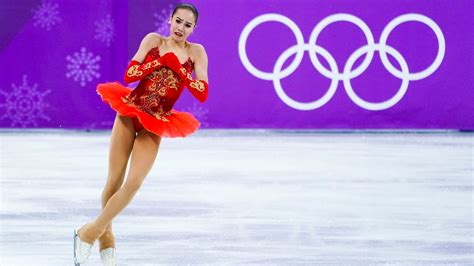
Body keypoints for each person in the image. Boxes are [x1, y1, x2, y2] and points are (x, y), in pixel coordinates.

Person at [73, 3, 208, 265]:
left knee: (133, 183)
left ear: (194, 29)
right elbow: (130, 72)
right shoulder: (153, 40)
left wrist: (180, 70)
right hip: (130, 111)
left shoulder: (196, 53)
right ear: (170, 20)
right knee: (114, 180)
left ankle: (89, 231)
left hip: (156, 121)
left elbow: (202, 91)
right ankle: (107, 239)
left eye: (187, 25)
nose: (181, 28)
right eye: (178, 21)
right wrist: (158, 62)